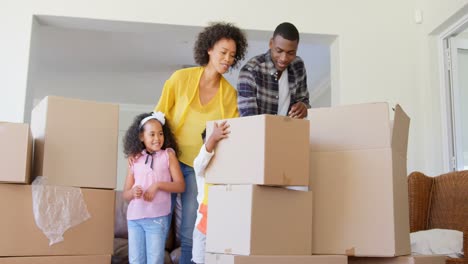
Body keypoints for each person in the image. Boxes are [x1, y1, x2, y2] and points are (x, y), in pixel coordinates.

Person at [154, 22, 248, 263]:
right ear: (209, 49)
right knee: (158, 228)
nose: (228, 59)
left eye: (232, 55)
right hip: (168, 164)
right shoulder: (180, 79)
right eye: (223, 52)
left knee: (189, 233)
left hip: (198, 169)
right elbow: (158, 117)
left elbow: (230, 136)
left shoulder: (229, 95)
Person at [123, 111, 185, 264]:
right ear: (141, 137)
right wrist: (132, 192)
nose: (157, 138)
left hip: (157, 219)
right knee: (136, 260)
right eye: (152, 134)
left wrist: (157, 185)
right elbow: (125, 195)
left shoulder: (168, 155)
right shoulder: (135, 159)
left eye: (160, 134)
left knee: (155, 260)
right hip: (134, 219)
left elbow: (180, 186)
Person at [237, 22, 310, 118]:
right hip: (260, 132)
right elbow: (249, 120)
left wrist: (304, 107)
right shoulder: (250, 72)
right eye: (279, 51)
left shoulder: (298, 65)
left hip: (290, 131)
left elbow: (304, 100)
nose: (284, 58)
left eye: (291, 53)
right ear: (271, 43)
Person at [192, 121, 230, 264]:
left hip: (223, 226)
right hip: (203, 227)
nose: (214, 151)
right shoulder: (201, 169)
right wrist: (212, 139)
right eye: (209, 146)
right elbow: (201, 160)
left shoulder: (229, 169)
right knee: (199, 259)